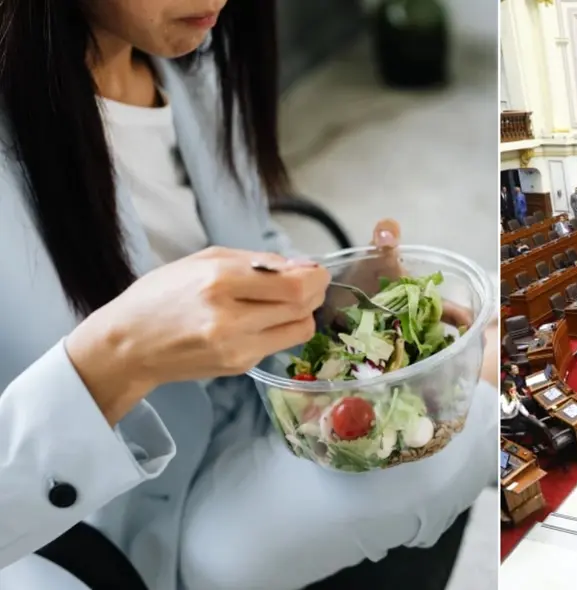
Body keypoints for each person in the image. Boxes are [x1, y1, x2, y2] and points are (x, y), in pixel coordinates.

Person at [0, 4, 499, 590]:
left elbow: (253, 238)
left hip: (260, 424)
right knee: (478, 407)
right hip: (105, 527)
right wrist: (113, 360)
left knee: (461, 389)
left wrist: (327, 300)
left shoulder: (189, 63)